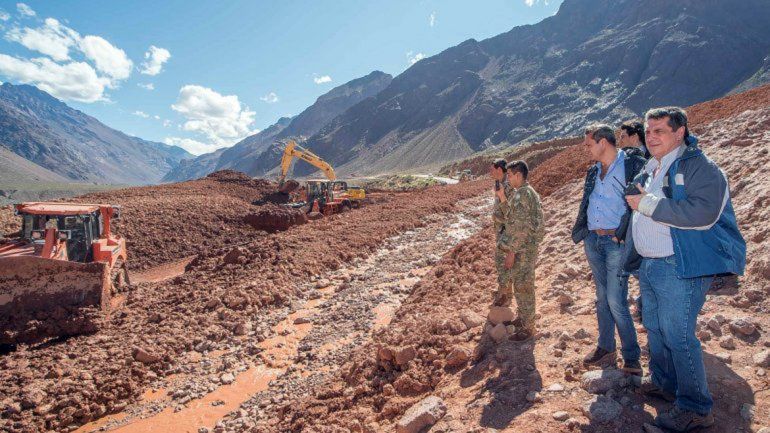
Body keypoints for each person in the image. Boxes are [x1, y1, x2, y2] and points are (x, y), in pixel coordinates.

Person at [624, 107, 746, 432]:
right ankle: (665, 383)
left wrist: (647, 204)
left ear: (679, 133)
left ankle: (695, 407)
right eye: (648, 131)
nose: (651, 136)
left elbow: (703, 213)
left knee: (677, 335)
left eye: (659, 130)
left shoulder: (700, 168)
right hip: (651, 264)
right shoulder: (653, 168)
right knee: (654, 325)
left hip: (680, 264)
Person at [572, 124, 646, 374]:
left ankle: (632, 356)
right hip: (593, 241)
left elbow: (636, 203)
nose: (586, 149)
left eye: (589, 144)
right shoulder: (594, 171)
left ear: (603, 142)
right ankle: (606, 347)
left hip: (616, 242)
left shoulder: (631, 166)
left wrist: (623, 233)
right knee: (602, 297)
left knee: (616, 300)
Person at [497, 160, 544, 341]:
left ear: (518, 175)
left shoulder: (524, 194)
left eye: (509, 175)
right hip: (524, 247)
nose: (507, 179)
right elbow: (512, 217)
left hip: (524, 248)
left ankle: (528, 328)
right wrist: (502, 198)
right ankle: (524, 318)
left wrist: (511, 252)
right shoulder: (524, 193)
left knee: (524, 286)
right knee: (521, 284)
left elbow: (521, 227)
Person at [490, 158, 515, 306]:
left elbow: (510, 211)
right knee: (501, 262)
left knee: (502, 262)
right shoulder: (499, 184)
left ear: (499, 169)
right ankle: (504, 289)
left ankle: (505, 294)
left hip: (506, 231)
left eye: (492, 169)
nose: (490, 172)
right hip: (500, 230)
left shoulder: (508, 186)